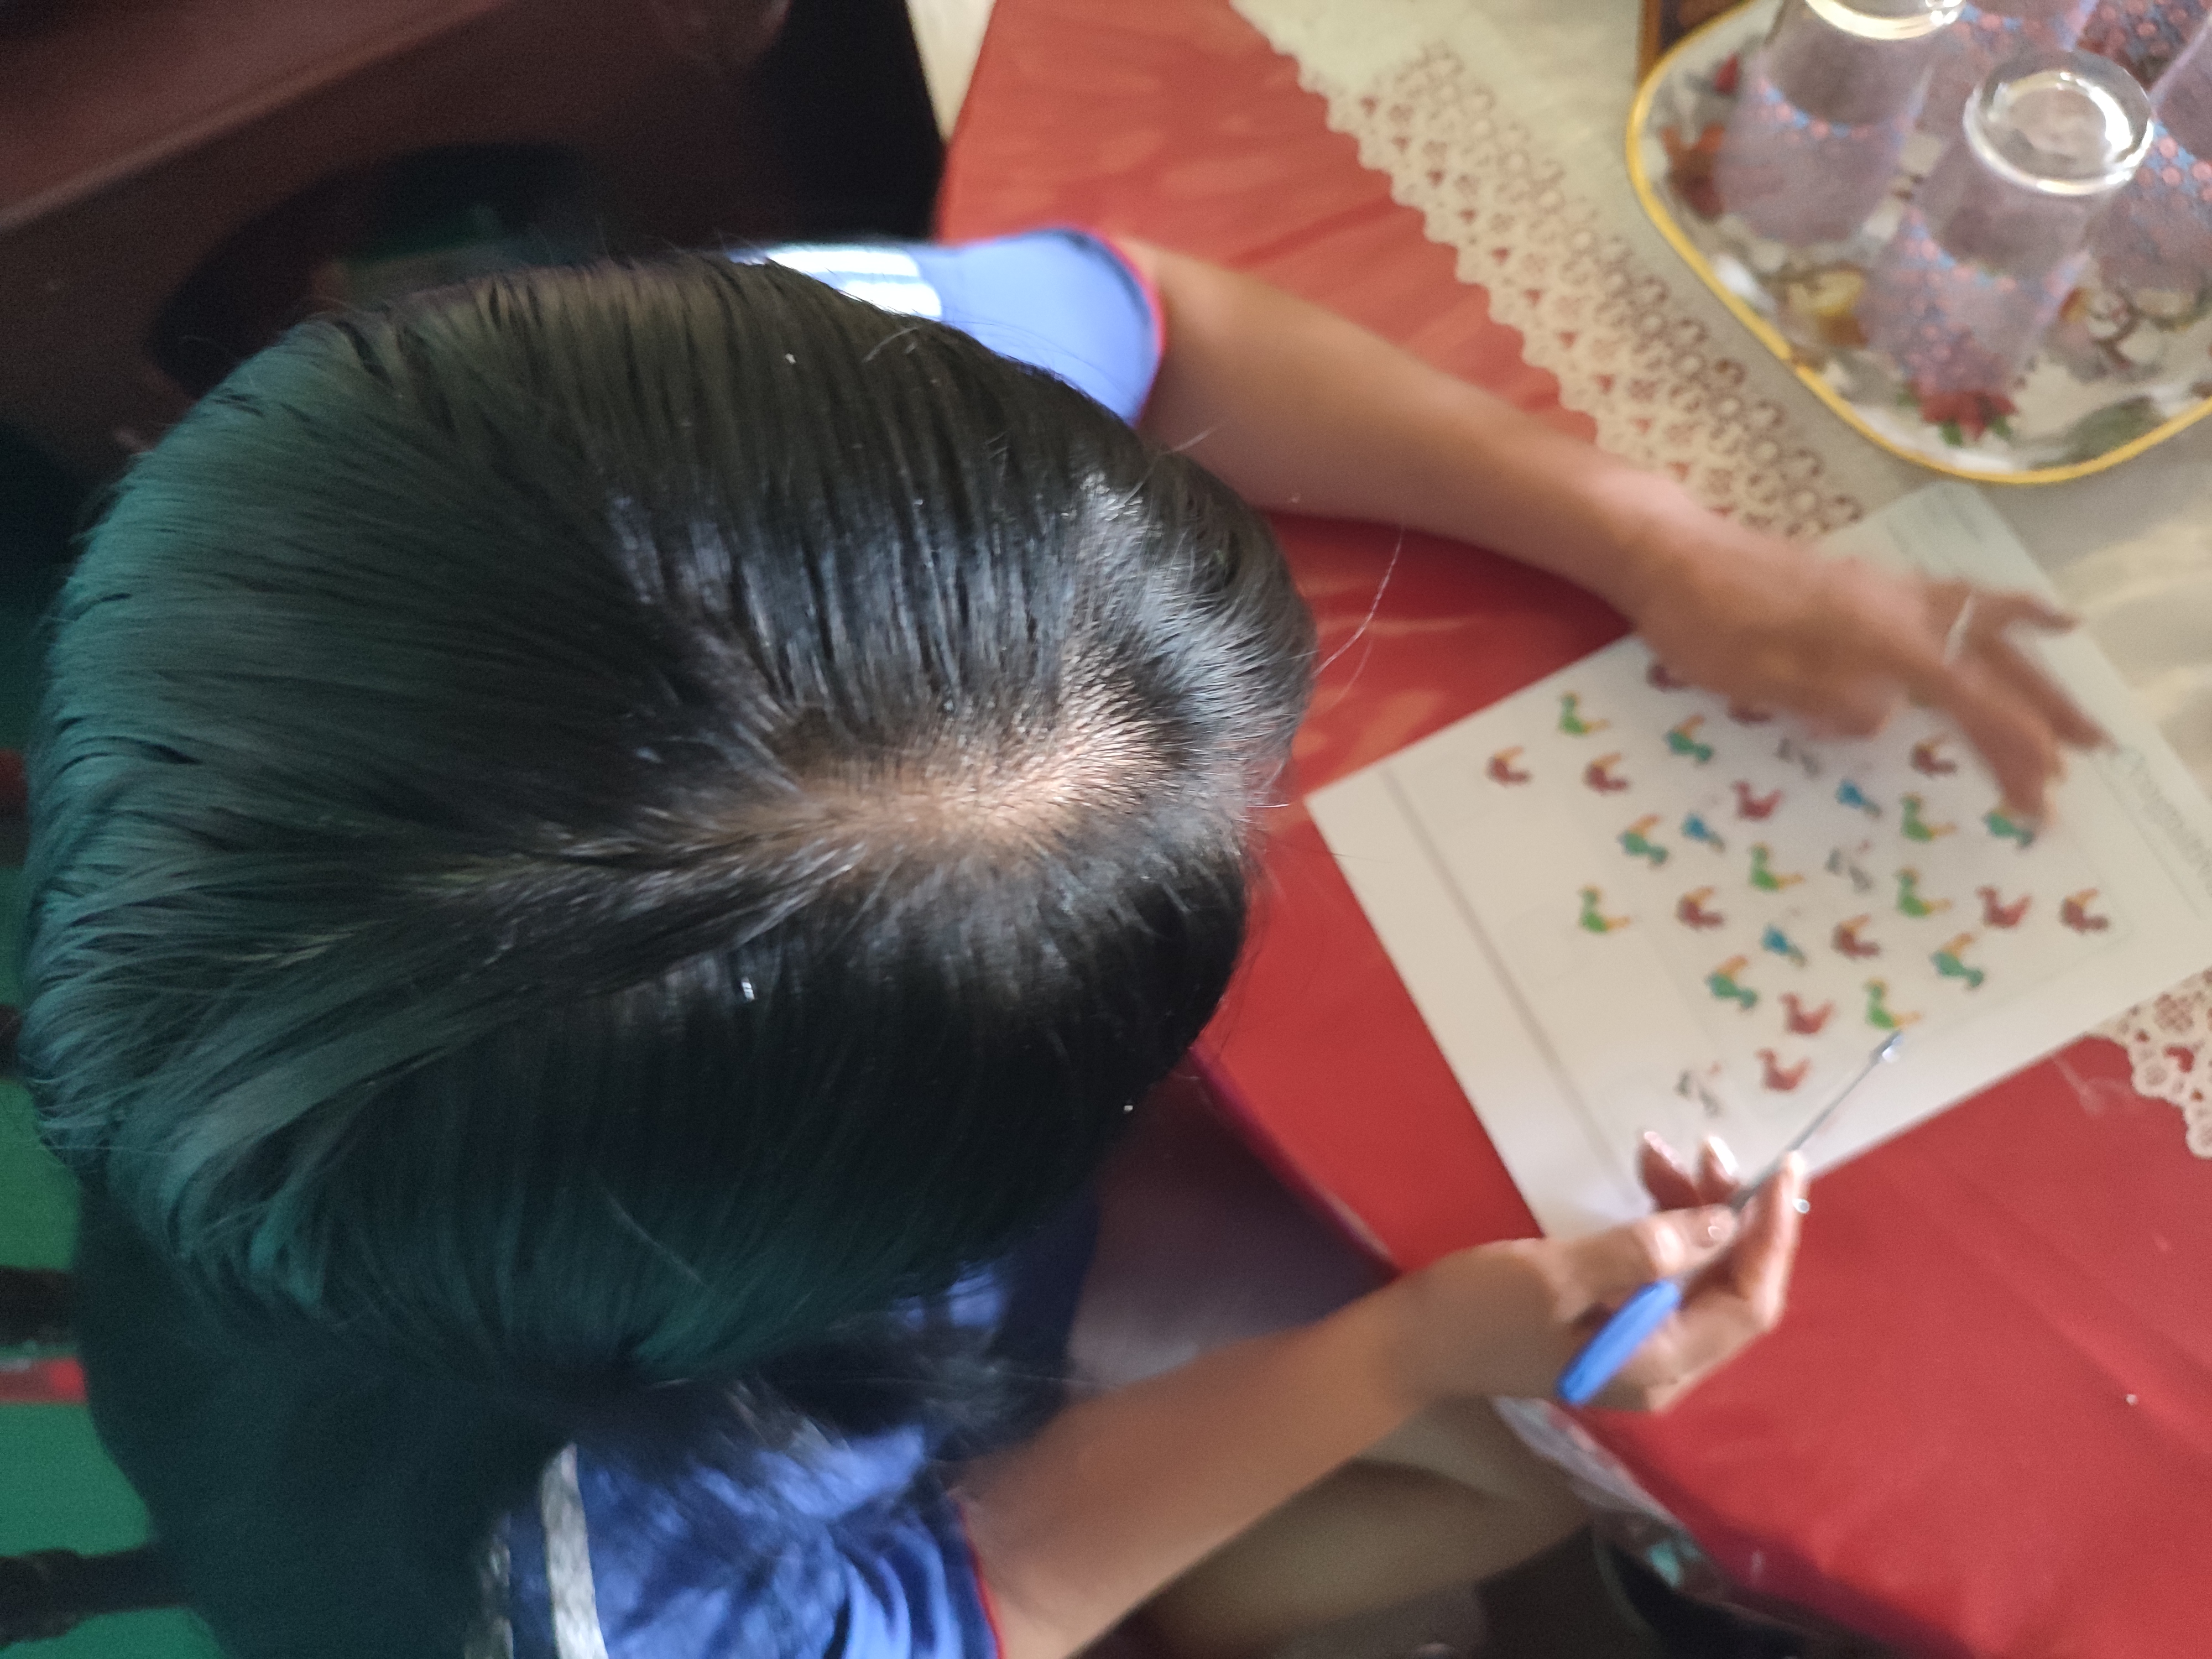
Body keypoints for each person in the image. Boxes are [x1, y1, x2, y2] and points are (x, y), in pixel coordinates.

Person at [20, 229, 2094, 1659]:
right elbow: (957, 1590)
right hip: (697, 1465)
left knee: (1502, 1427)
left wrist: (1664, 540)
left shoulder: (704, 437)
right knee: (1533, 1465)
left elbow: (1158, 319)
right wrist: (1394, 1358)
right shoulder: (603, 1600)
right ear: (898, 1194)